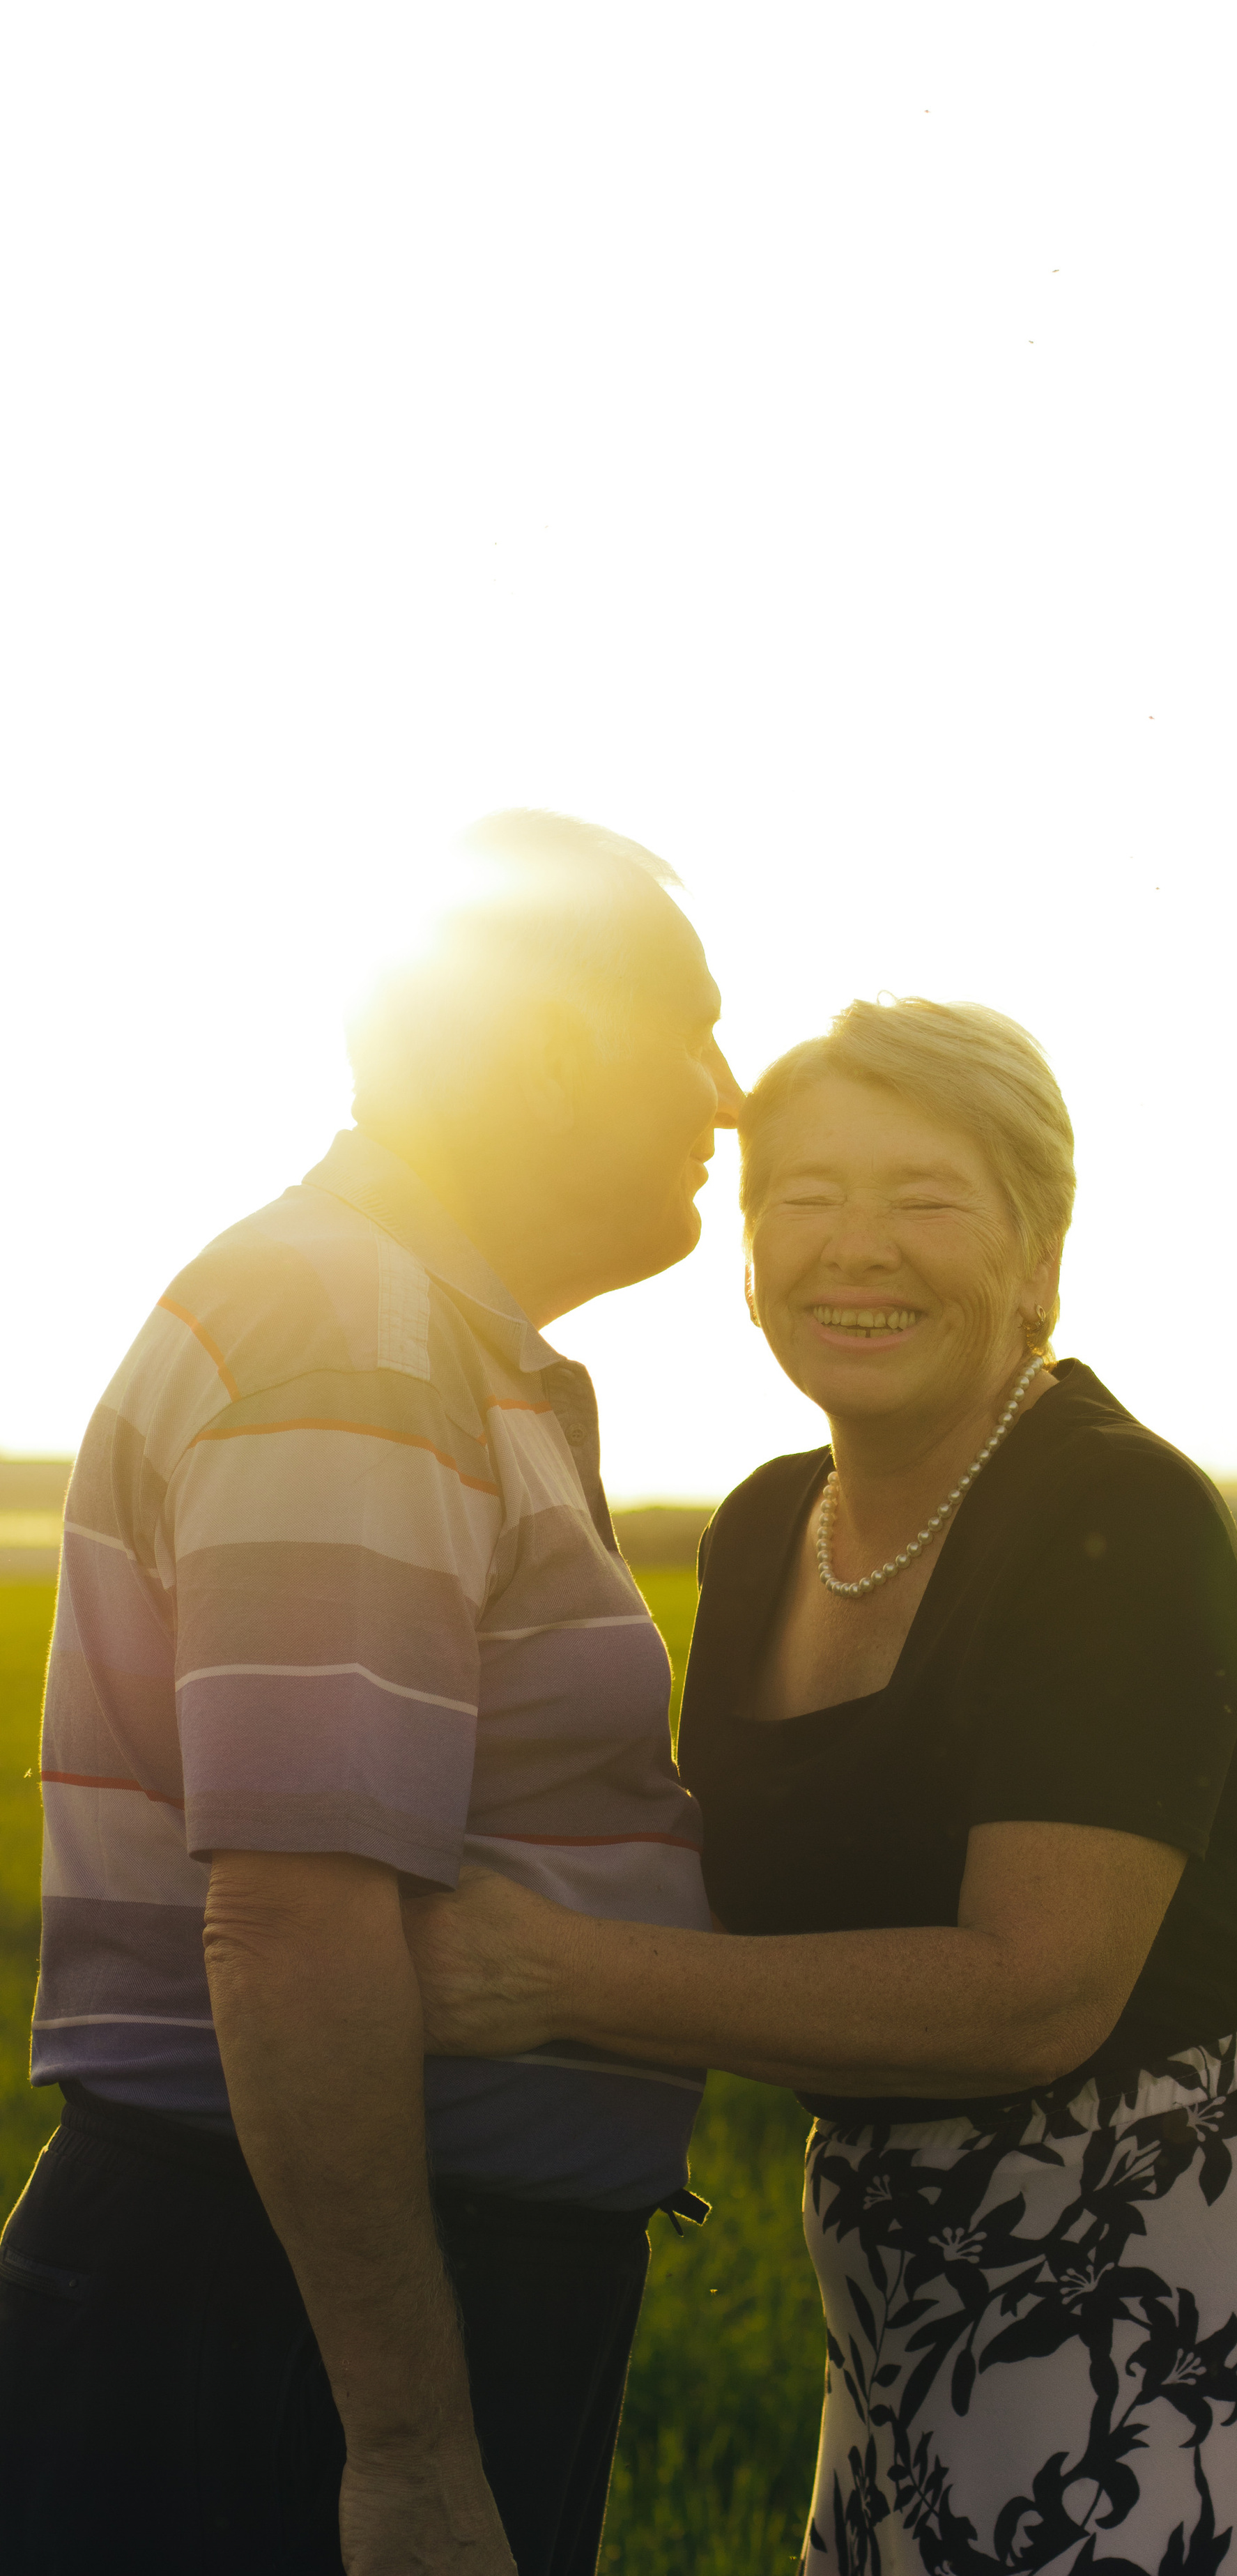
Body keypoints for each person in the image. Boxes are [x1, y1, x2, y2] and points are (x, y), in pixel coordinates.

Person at [406, 994, 1237, 2576]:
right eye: (805, 1197)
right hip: (911, 2301)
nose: (856, 1247)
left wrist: (547, 1975)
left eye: (924, 1200)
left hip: (1199, 2317)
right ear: (751, 1259)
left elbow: (1031, 1994)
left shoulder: (1112, 1514)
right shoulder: (764, 1531)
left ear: (1036, 1258)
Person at [0, 812, 742, 2576]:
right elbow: (289, 1918)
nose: (729, 1096)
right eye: (693, 1031)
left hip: (304, 2292)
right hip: (272, 2326)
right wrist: (406, 2445)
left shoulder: (417, 1334)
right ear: (557, 1050)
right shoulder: (358, 1345)